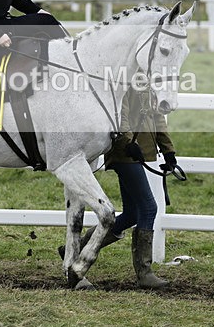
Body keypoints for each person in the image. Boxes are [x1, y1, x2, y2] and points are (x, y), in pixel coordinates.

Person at [60, 87, 179, 289]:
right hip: (126, 153)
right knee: (149, 208)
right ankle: (144, 273)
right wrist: (127, 141)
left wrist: (168, 151)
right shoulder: (127, 79)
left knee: (133, 213)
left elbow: (157, 116)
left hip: (140, 152)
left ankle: (76, 247)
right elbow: (120, 115)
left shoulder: (151, 80)